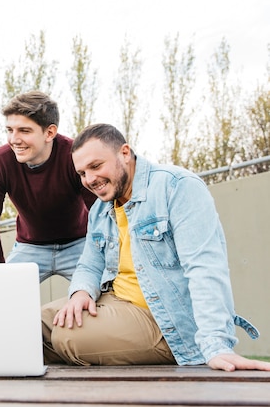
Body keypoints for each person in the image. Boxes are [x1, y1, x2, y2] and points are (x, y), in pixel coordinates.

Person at [41, 123, 270, 372]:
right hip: (116, 302)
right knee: (31, 325)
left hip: (164, 322)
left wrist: (215, 345)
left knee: (68, 338)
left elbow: (205, 268)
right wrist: (81, 293)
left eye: (96, 166)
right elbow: (89, 264)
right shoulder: (99, 209)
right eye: (82, 173)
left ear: (125, 153)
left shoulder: (177, 187)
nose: (90, 179)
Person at [0, 91, 96, 282]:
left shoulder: (73, 156)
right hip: (29, 246)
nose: (14, 139)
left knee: (102, 291)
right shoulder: (0, 162)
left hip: (79, 243)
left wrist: (103, 254)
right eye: (10, 130)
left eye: (24, 131)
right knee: (1, 295)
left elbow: (100, 211)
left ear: (49, 133)